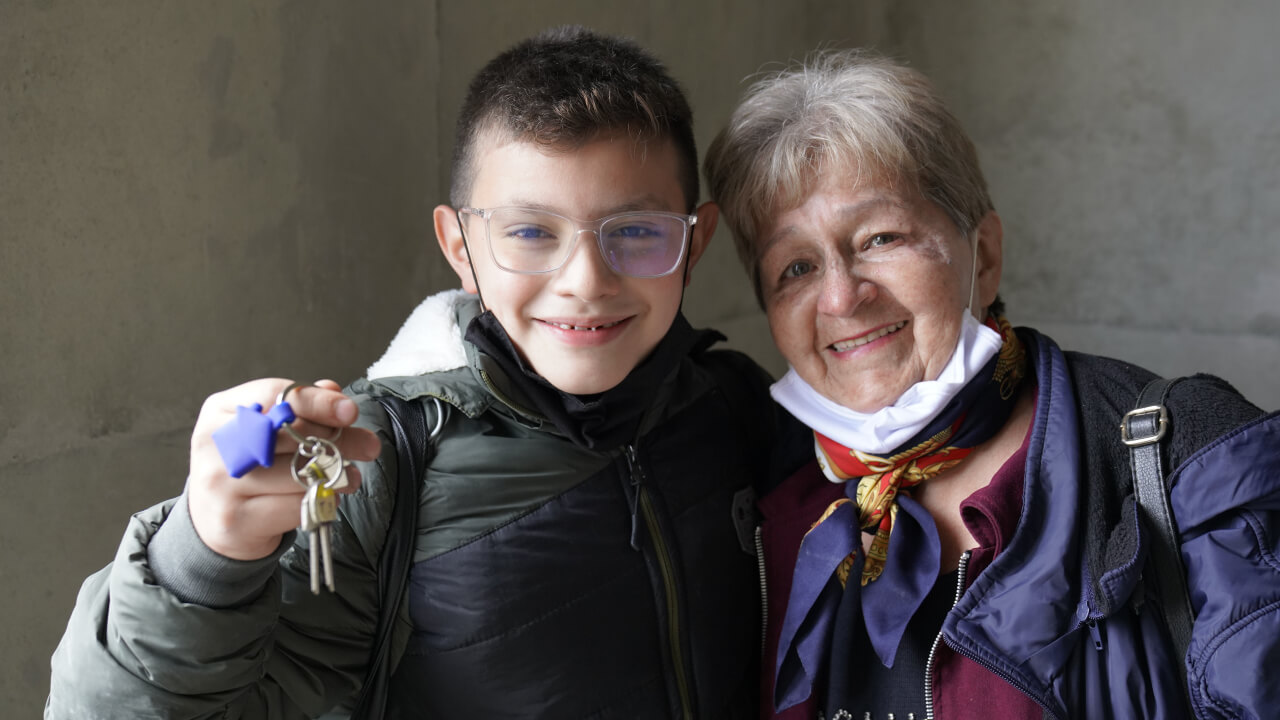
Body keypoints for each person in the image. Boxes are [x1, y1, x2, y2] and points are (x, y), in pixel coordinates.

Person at [47, 26, 779, 719]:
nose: (586, 280)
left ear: (696, 239)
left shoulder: (730, 402)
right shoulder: (377, 466)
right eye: (529, 232)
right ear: (459, 247)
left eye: (638, 232)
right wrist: (202, 555)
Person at [704, 49, 1280, 719]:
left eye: (880, 238)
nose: (840, 297)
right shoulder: (766, 487)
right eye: (794, 268)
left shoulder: (1192, 463)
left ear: (985, 256)